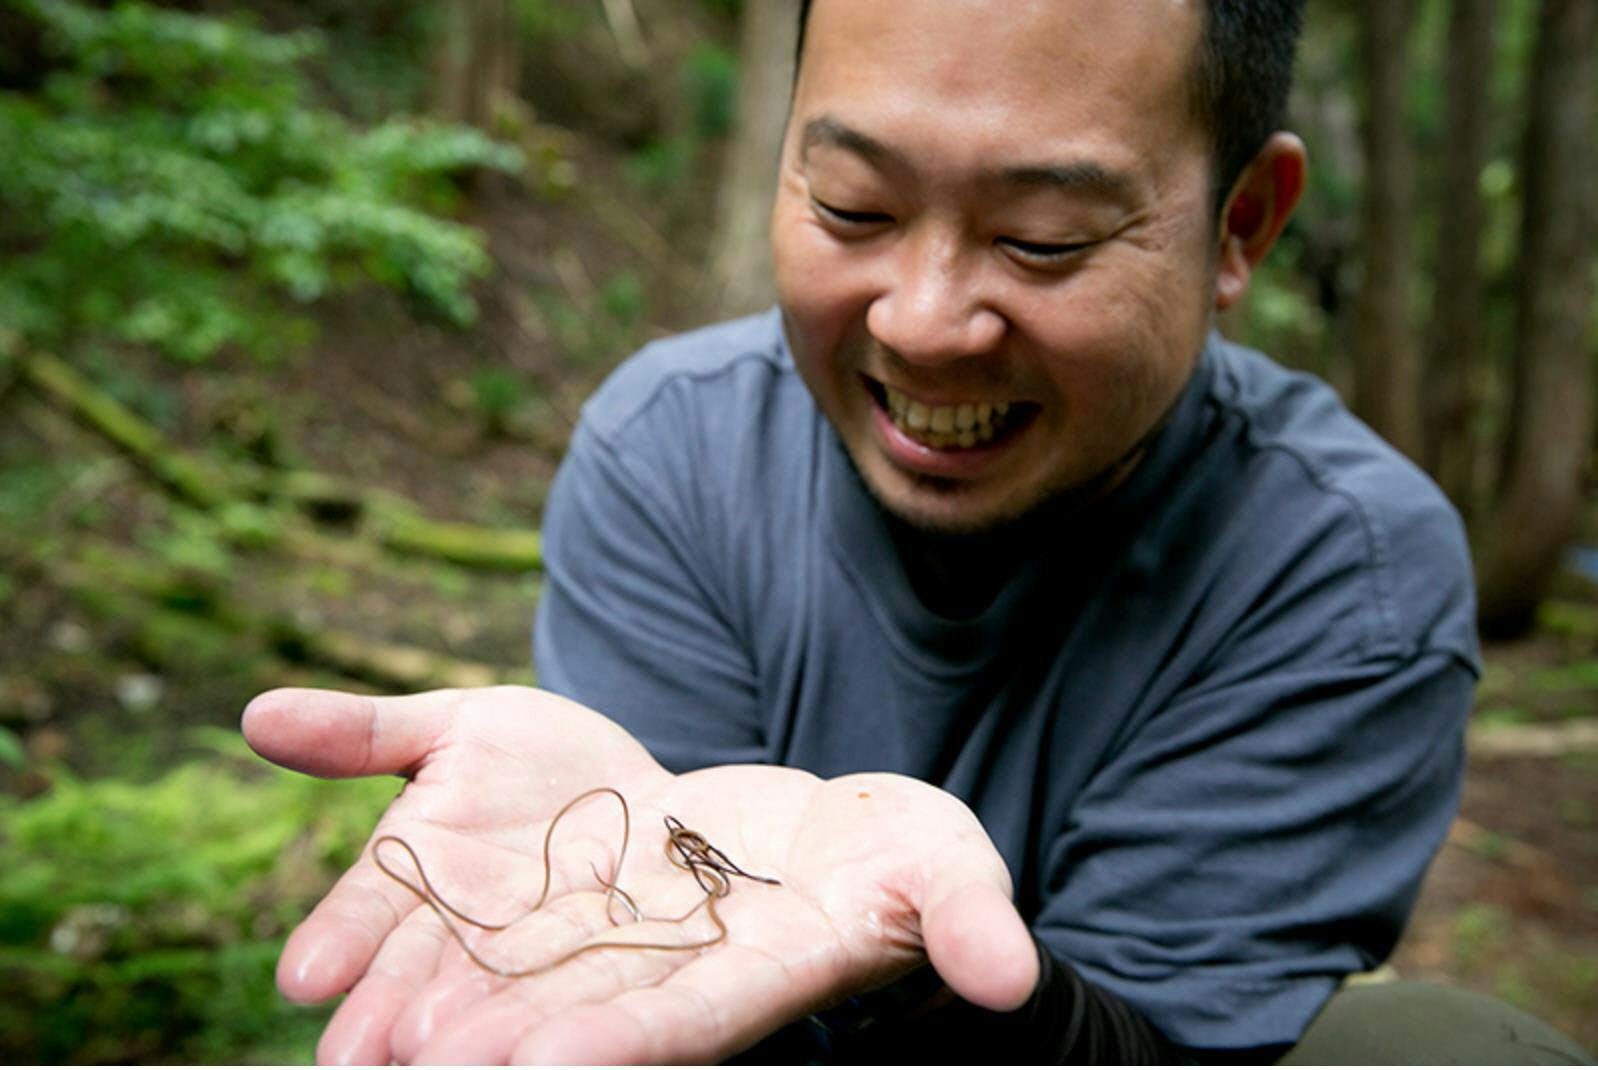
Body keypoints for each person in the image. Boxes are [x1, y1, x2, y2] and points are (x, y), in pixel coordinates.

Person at [242, 0, 1593, 1064]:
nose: (923, 321)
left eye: (1045, 238)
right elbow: (642, 1005)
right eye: (853, 209)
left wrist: (903, 956)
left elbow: (1158, 1048)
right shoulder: (674, 449)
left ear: (1239, 225)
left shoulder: (1340, 570)